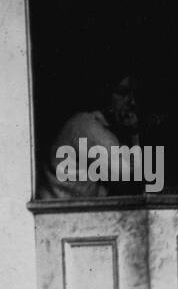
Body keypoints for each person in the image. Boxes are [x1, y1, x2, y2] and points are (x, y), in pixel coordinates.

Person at [40, 68, 139, 199]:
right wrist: (133, 133)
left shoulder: (95, 125)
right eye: (122, 93)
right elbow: (132, 184)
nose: (132, 102)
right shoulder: (87, 126)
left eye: (133, 94)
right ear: (106, 94)